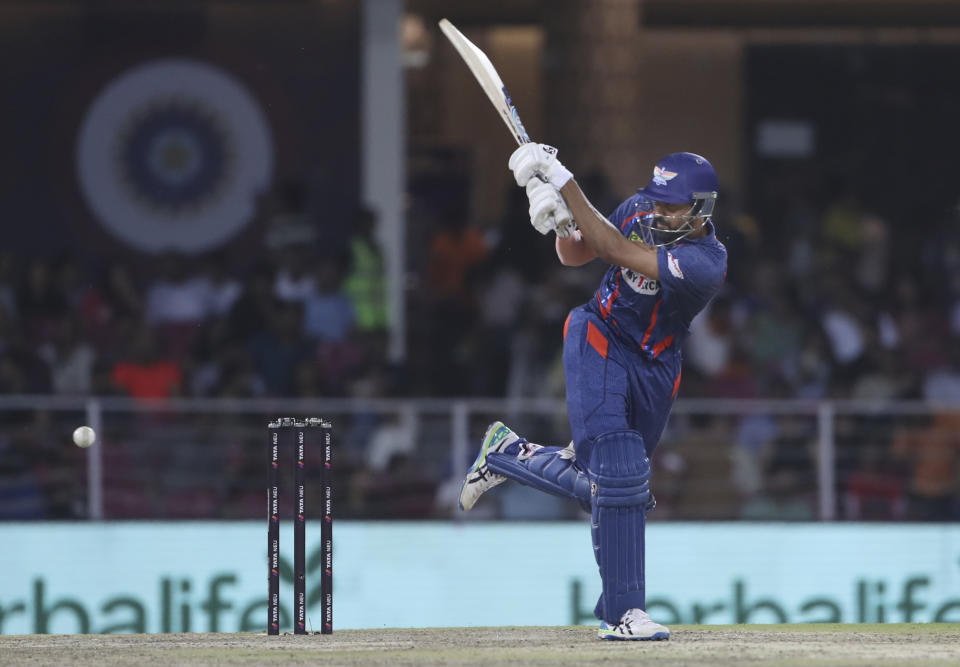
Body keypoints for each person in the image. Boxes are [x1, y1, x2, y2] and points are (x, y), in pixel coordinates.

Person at [458, 145, 727, 641]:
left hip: (656, 367)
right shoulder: (639, 209)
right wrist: (560, 222)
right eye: (660, 200)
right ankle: (626, 615)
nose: (662, 212)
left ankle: (508, 453)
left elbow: (614, 250)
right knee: (620, 476)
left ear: (703, 208)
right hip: (599, 336)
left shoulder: (706, 262)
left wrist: (563, 181)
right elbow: (578, 252)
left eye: (676, 206)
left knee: (615, 487)